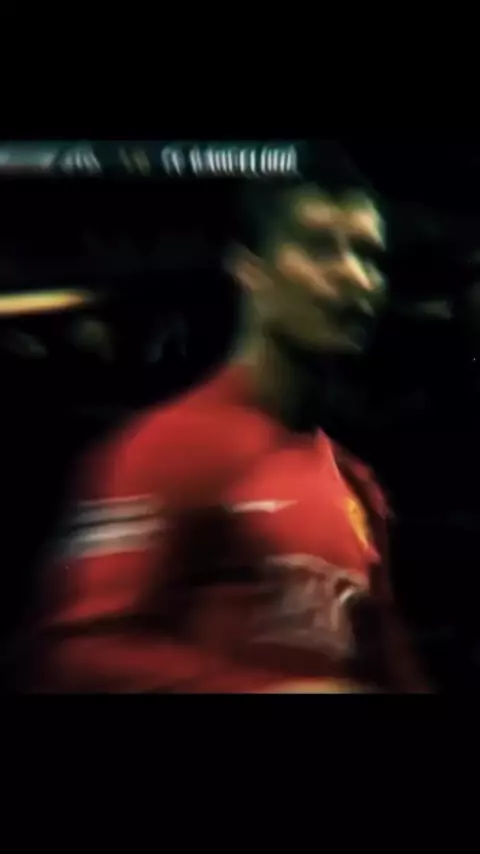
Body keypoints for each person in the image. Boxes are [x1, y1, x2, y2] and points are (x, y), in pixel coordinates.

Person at [29, 143, 428, 693]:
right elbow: (76, 654)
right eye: (321, 248)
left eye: (368, 255)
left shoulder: (357, 486)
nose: (356, 277)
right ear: (251, 269)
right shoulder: (168, 447)